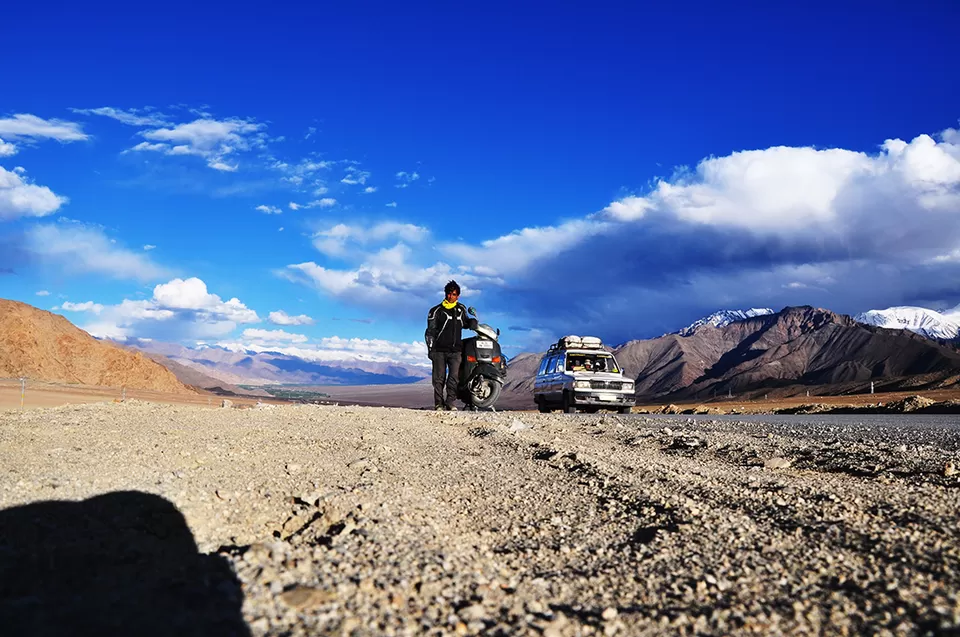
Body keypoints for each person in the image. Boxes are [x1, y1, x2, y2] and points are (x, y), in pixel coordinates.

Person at [424, 280, 477, 411]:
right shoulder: (436, 311)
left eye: (453, 294)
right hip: (439, 350)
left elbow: (465, 323)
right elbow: (430, 332)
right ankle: (438, 404)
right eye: (449, 293)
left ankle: (450, 402)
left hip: (456, 351)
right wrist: (431, 350)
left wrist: (472, 322)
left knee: (454, 378)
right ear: (445, 294)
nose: (450, 296)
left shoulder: (461, 309)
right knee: (439, 379)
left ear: (458, 296)